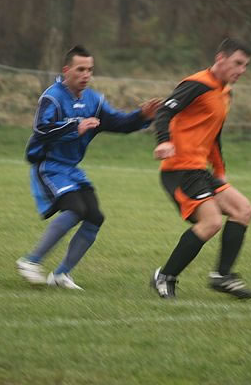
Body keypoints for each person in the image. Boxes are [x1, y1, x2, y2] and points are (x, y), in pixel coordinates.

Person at [16, 45, 161, 289]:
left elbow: (117, 122)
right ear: (66, 70)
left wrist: (141, 116)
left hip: (71, 168)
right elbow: (41, 129)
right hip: (48, 165)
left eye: (90, 70)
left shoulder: (94, 100)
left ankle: (61, 275)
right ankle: (31, 261)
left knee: (94, 216)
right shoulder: (52, 97)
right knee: (75, 209)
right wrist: (75, 127)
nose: (86, 75)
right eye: (80, 69)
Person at [150, 38, 251, 299]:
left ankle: (222, 276)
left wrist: (219, 170)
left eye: (245, 65)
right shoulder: (197, 84)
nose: (242, 70)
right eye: (238, 63)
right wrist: (163, 141)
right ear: (221, 58)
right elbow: (164, 111)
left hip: (200, 169)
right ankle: (165, 276)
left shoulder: (225, 93)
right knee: (211, 222)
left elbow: (213, 135)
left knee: (243, 210)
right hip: (180, 169)